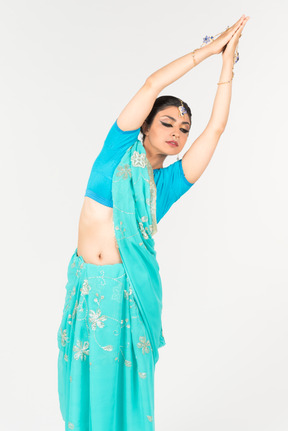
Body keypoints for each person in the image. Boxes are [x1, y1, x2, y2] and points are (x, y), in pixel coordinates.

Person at [57, 14, 249, 431]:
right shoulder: (115, 152)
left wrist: (226, 69)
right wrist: (208, 50)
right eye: (167, 122)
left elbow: (215, 130)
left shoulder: (167, 184)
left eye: (183, 128)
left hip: (130, 295)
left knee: (127, 391)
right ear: (143, 126)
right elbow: (151, 85)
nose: (177, 133)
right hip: (89, 289)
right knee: (83, 389)